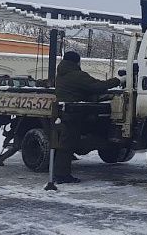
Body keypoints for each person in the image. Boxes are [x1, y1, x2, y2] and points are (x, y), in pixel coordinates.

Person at [47, 51, 121, 190]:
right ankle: (62, 175)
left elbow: (83, 90)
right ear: (76, 62)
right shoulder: (77, 75)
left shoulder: (62, 74)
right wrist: (117, 80)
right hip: (73, 114)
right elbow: (97, 86)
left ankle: (60, 173)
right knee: (67, 145)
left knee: (64, 144)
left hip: (65, 113)